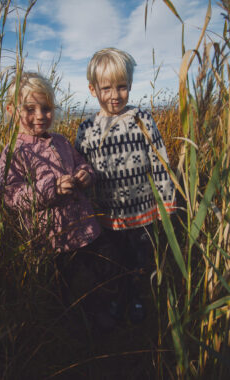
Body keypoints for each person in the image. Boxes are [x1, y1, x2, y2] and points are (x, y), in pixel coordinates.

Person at [0, 71, 120, 330]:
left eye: (46, 108)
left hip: (85, 228)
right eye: (30, 109)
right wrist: (51, 187)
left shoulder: (61, 141)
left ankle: (102, 312)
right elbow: (12, 196)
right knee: (65, 287)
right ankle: (72, 329)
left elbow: (82, 164)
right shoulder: (14, 152)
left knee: (97, 273)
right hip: (52, 239)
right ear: (11, 110)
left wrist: (86, 175)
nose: (40, 115)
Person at [75, 48, 176, 323]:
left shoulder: (141, 119)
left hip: (143, 213)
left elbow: (159, 160)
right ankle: (118, 300)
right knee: (114, 264)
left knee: (141, 263)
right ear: (93, 89)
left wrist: (166, 201)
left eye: (122, 87)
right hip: (108, 217)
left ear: (130, 86)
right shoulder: (86, 129)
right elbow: (82, 167)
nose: (114, 95)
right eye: (106, 87)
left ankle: (138, 301)